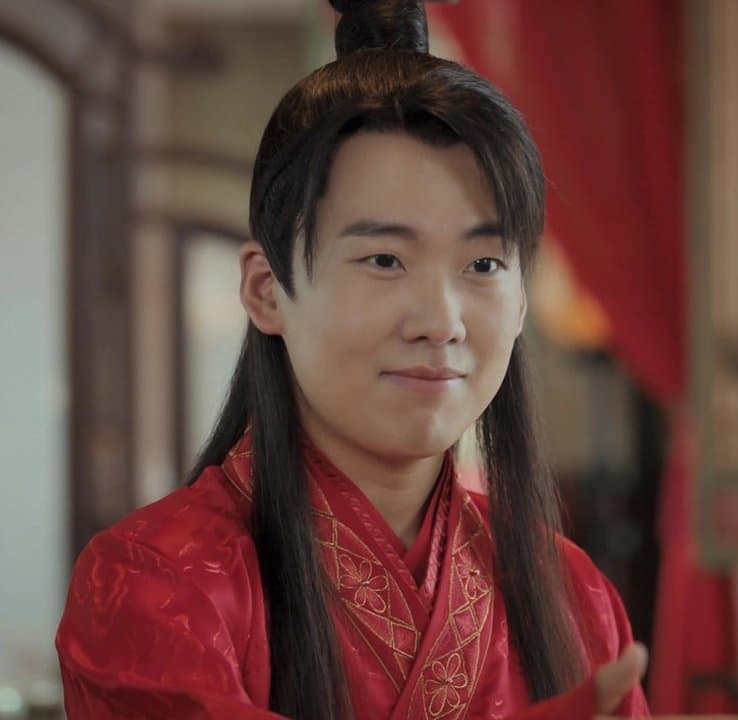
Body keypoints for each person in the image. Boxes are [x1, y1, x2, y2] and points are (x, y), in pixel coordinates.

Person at [55, 2, 686, 717]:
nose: (440, 322)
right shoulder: (154, 583)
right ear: (266, 290)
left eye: (483, 263)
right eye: (384, 259)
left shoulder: (573, 593)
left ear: (519, 305)